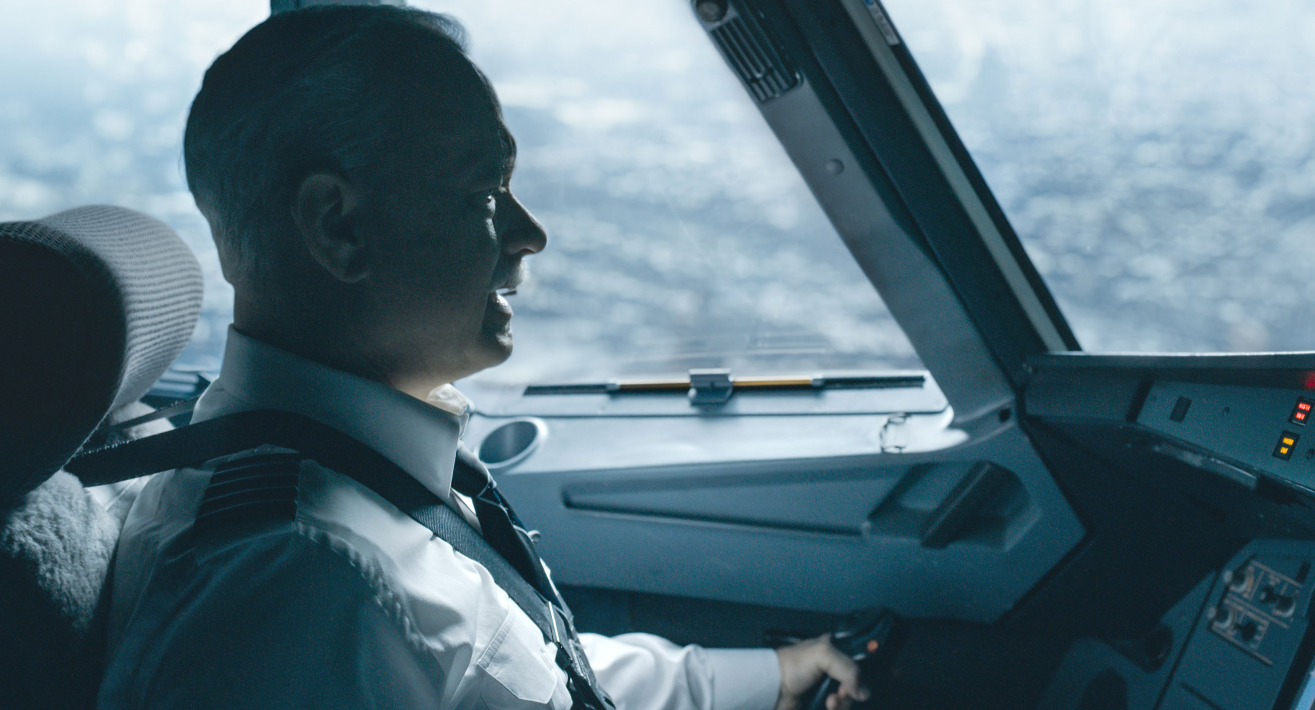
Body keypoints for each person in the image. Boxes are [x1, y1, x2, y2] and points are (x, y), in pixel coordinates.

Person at [98, 6, 871, 710]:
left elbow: (518, 663)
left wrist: (767, 679)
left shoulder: (354, 478)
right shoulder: (297, 588)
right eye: (487, 194)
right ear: (338, 228)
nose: (531, 234)